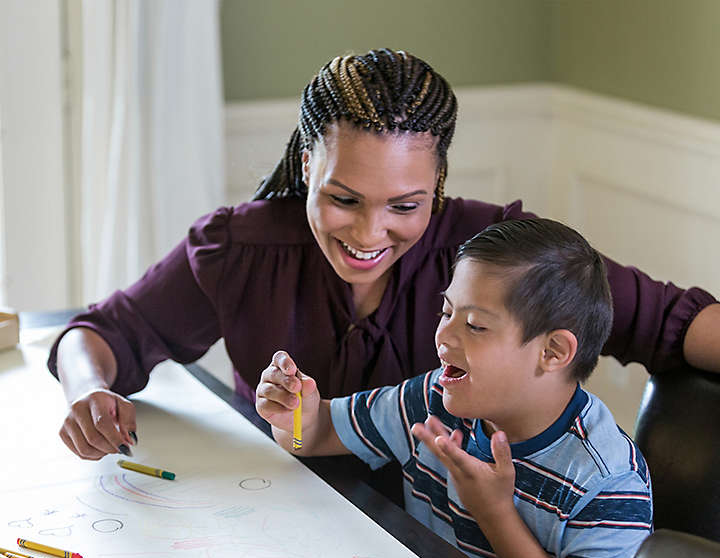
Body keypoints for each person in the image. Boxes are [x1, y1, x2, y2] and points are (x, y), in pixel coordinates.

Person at [48, 48, 719, 463]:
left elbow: (671, 320)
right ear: (307, 165)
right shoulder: (240, 248)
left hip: (455, 546)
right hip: (277, 520)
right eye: (344, 198)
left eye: (405, 205)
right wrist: (91, 391)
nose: (370, 234)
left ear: (439, 184)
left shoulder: (508, 255)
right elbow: (103, 333)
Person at [256, 218, 653, 558]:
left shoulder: (608, 481)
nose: (444, 335)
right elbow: (318, 434)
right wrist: (295, 415)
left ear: (552, 352)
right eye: (447, 312)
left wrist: (494, 512)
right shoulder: (433, 400)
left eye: (475, 325)